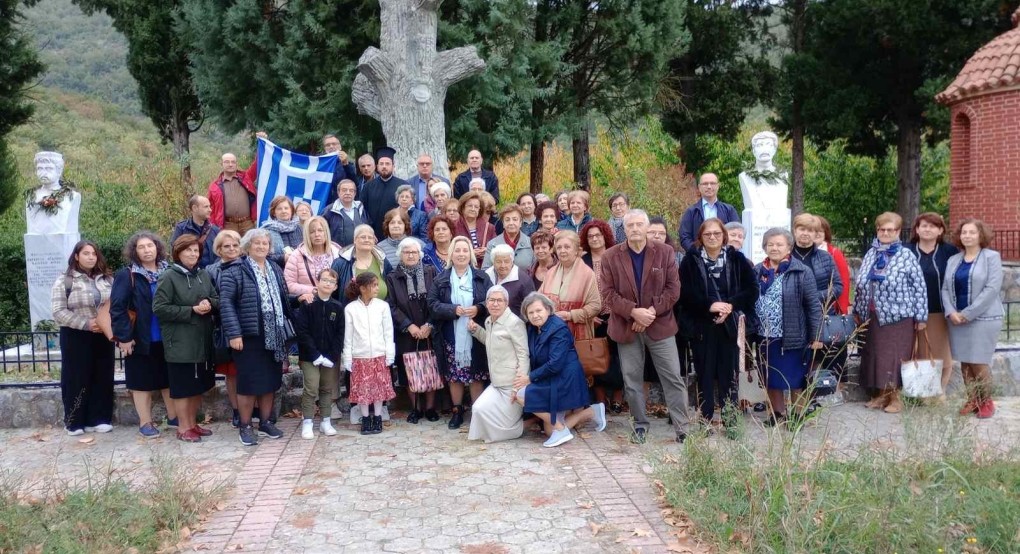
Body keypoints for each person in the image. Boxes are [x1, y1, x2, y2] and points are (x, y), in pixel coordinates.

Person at [601, 210, 692, 444]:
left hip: (659, 324)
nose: (634, 229)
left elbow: (673, 289)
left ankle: (682, 427)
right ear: (624, 228)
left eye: (639, 224)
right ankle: (640, 424)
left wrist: (650, 313)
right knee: (631, 380)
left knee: (672, 376)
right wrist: (633, 312)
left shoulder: (665, 252)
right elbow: (607, 294)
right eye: (630, 225)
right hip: (626, 326)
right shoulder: (611, 256)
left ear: (647, 227)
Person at [678, 218, 758, 426]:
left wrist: (729, 305)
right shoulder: (690, 261)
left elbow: (752, 290)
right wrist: (709, 306)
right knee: (704, 372)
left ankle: (730, 418)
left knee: (728, 373)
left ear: (724, 236)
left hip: (729, 326)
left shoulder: (737, 259)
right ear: (700, 238)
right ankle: (705, 418)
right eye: (707, 234)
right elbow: (684, 293)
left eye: (716, 233)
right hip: (702, 325)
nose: (712, 237)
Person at [220, 228, 292, 446]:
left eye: (265, 244)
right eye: (257, 243)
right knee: (249, 382)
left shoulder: (275, 269)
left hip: (275, 333)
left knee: (270, 381)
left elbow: (284, 298)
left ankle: (265, 422)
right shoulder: (235, 270)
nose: (261, 247)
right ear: (247, 246)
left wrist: (302, 298)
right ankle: (245, 425)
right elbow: (226, 304)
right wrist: (234, 333)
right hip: (249, 335)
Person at [853, 212, 927, 414]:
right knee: (876, 355)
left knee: (895, 357)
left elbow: (919, 287)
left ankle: (896, 398)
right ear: (877, 230)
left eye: (890, 230)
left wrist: (921, 317)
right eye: (882, 229)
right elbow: (861, 284)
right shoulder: (871, 253)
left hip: (898, 316)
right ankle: (881, 395)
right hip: (873, 315)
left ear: (897, 232)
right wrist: (857, 310)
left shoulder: (906, 256)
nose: (885, 233)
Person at [515, 293, 606, 447]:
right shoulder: (532, 328)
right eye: (531, 313)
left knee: (522, 394)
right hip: (549, 378)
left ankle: (563, 428)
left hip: (565, 380)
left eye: (539, 311)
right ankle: (591, 412)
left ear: (548, 310)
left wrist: (529, 378)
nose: (535, 315)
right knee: (550, 431)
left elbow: (555, 364)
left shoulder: (558, 329)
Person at [753, 228, 823, 427]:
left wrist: (816, 335)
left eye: (779, 244)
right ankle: (777, 414)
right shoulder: (758, 271)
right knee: (771, 377)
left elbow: (813, 306)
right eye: (770, 244)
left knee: (795, 379)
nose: (774, 248)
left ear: (789, 247)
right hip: (764, 335)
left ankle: (798, 415)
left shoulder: (801, 271)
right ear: (764, 246)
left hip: (792, 335)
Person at [111, 232, 178, 438]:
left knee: (169, 379)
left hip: (168, 336)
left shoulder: (170, 270)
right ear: (135, 251)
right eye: (142, 247)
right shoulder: (128, 274)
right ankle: (145, 422)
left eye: (150, 245)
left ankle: (174, 417)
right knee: (141, 382)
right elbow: (118, 308)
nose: (147, 250)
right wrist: (123, 337)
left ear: (157, 248)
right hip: (140, 337)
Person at [153, 235, 219, 442]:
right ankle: (183, 427)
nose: (193, 254)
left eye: (196, 251)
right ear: (178, 253)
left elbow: (216, 298)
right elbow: (160, 308)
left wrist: (209, 303)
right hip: (181, 342)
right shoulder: (168, 276)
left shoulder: (203, 274)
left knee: (198, 386)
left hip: (203, 340)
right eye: (188, 250)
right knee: (183, 388)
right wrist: (191, 310)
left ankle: (192, 423)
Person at [427, 236, 492, 429]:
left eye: (465, 250)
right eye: (457, 250)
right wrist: (453, 310)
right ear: (451, 254)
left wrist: (478, 309)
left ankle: (478, 412)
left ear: (470, 254)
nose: (461, 254)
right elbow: (432, 305)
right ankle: (457, 411)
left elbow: (491, 301)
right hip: (450, 334)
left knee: (476, 374)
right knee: (454, 375)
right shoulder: (441, 279)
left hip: (476, 334)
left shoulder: (481, 277)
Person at [51, 240, 115, 436]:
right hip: (76, 335)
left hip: (102, 334)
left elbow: (116, 304)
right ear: (77, 256)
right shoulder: (65, 280)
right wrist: (86, 324)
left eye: (94, 254)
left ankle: (99, 418)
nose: (91, 257)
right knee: (76, 377)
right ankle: (74, 421)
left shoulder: (106, 279)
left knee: (102, 375)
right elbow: (58, 311)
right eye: (86, 253)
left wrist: (104, 324)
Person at [943, 218, 1003, 419]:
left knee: (978, 361)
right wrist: (951, 312)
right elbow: (945, 289)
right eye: (964, 232)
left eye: (972, 232)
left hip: (983, 319)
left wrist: (968, 314)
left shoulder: (991, 257)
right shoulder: (954, 260)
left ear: (981, 235)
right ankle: (973, 400)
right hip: (956, 320)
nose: (967, 236)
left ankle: (986, 401)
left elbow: (992, 289)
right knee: (965, 363)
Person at [466, 285, 531, 443]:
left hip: (511, 384)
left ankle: (528, 424)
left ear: (506, 303)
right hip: (496, 383)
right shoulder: (489, 321)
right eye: (492, 300)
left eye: (499, 301)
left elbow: (524, 354)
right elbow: (490, 341)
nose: (495, 304)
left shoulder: (515, 323)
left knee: (504, 429)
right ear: (487, 303)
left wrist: (519, 384)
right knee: (478, 409)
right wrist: (476, 330)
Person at [386, 238, 440, 423]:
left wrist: (429, 324)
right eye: (407, 252)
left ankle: (431, 408)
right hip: (406, 332)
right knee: (409, 369)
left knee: (430, 367)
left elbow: (437, 300)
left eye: (414, 252)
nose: (410, 255)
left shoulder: (430, 272)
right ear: (400, 255)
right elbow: (391, 305)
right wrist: (409, 325)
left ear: (420, 254)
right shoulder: (393, 277)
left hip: (428, 330)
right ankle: (416, 408)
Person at [905, 213, 960, 393]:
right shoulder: (906, 251)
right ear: (917, 229)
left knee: (942, 354)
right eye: (923, 226)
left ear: (940, 230)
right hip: (911, 312)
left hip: (940, 310)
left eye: (932, 226)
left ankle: (940, 391)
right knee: (919, 352)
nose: (927, 229)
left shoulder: (949, 251)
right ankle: (921, 392)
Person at [293, 268, 343, 438]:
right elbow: (302, 331)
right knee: (311, 387)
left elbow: (339, 334)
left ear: (336, 286)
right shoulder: (307, 304)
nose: (328, 284)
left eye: (332, 281)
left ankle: (325, 421)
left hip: (329, 357)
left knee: (327, 388)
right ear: (317, 281)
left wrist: (332, 355)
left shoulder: (337, 307)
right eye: (325, 280)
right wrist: (315, 355)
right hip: (310, 356)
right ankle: (307, 422)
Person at [343, 272, 396, 435]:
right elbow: (348, 335)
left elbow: (388, 332)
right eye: (373, 285)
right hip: (360, 355)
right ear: (363, 288)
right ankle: (365, 418)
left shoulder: (382, 306)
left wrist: (390, 354)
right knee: (363, 389)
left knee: (379, 388)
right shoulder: (351, 308)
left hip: (379, 354)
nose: (376, 288)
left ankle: (378, 416)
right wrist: (347, 357)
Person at [580, 220, 624, 412]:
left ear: (605, 235)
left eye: (598, 235)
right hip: (593, 317)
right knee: (595, 357)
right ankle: (599, 400)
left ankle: (617, 398)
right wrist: (588, 314)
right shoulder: (582, 260)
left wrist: (618, 311)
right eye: (590, 236)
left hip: (615, 314)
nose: (595, 239)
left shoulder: (617, 256)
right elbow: (578, 289)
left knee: (617, 357)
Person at [206, 230, 243, 427]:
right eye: (226, 246)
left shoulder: (248, 265)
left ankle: (251, 407)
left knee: (249, 370)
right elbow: (210, 297)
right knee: (232, 373)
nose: (231, 249)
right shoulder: (211, 271)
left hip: (248, 324)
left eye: (235, 245)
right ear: (218, 250)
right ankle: (237, 409)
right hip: (225, 326)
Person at [539, 231, 601, 341]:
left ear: (576, 250)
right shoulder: (550, 273)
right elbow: (538, 300)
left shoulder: (587, 274)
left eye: (567, 247)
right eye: (559, 247)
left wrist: (569, 315)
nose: (562, 251)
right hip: (552, 334)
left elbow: (595, 306)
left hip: (578, 336)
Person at [284, 216, 343, 305]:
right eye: (312, 232)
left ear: (326, 232)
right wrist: (312, 290)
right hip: (310, 305)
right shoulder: (297, 255)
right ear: (307, 235)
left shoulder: (338, 252)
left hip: (335, 303)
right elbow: (288, 284)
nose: (317, 234)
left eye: (320, 230)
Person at [791, 214, 842, 310]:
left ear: (815, 234)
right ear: (795, 231)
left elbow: (837, 287)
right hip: (792, 313)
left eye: (810, 230)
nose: (805, 233)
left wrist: (815, 297)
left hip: (820, 312)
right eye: (802, 229)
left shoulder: (826, 257)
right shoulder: (786, 256)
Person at [331, 224, 393, 302]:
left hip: (381, 311)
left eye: (370, 237)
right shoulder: (340, 263)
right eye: (363, 237)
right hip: (351, 312)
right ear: (354, 240)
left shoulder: (382, 260)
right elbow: (332, 292)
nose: (367, 240)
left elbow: (392, 286)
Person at [678, 173, 739, 252]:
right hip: (698, 259)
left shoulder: (729, 210)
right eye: (705, 184)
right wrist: (697, 254)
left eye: (712, 183)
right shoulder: (691, 212)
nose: (709, 186)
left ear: (718, 186)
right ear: (699, 187)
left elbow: (737, 234)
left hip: (725, 258)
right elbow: (684, 237)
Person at [361, 146, 409, 238]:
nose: (384, 167)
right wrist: (368, 230)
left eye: (387, 164)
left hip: (397, 233)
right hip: (373, 234)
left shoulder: (403, 186)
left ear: (393, 166)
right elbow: (363, 211)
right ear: (377, 166)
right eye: (381, 164)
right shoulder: (368, 186)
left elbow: (408, 210)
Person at [208, 152, 258, 235]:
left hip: (248, 224)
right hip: (228, 225)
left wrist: (261, 143)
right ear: (221, 164)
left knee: (249, 247)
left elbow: (257, 165)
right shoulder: (214, 186)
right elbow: (210, 209)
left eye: (233, 162)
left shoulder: (246, 177)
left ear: (236, 164)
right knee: (231, 248)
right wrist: (213, 227)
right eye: (227, 162)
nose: (230, 164)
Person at [484, 244, 535, 317]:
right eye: (498, 261)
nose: (503, 265)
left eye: (506, 261)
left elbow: (531, 306)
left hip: (514, 324)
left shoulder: (524, 280)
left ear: (512, 261)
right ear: (493, 262)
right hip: (488, 322)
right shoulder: (486, 276)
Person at [170, 195, 220, 269]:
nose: (210, 210)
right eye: (206, 207)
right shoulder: (181, 228)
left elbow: (220, 254)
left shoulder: (215, 230)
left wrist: (212, 270)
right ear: (195, 208)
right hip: (188, 275)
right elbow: (175, 252)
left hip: (210, 275)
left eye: (210, 206)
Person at [814, 216, 851, 315]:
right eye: (814, 230)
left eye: (821, 231)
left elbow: (843, 282)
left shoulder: (834, 253)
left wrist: (842, 309)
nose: (817, 233)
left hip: (829, 309)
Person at [483, 204, 534, 271]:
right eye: (507, 220)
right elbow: (485, 270)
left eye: (515, 219)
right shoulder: (492, 244)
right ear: (503, 224)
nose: (511, 223)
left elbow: (535, 269)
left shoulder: (530, 243)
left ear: (521, 222)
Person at [324, 179, 370, 248]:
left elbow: (368, 226)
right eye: (344, 190)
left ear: (354, 194)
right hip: (338, 252)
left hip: (359, 251)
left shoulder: (361, 208)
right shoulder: (329, 211)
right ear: (338, 192)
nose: (348, 193)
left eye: (351, 190)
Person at [261, 196, 304, 268]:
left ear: (291, 211)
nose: (283, 211)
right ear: (274, 212)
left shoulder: (299, 228)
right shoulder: (266, 231)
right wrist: (283, 258)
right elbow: (263, 256)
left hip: (300, 269)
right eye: (279, 209)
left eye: (286, 208)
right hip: (278, 270)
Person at [455, 191, 496, 266]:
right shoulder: (453, 226)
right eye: (470, 206)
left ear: (479, 209)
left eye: (476, 207)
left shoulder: (489, 227)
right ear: (463, 207)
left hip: (483, 269)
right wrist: (469, 253)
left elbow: (495, 248)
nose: (473, 209)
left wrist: (488, 251)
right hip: (461, 267)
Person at [322, 133, 357, 208]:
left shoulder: (347, 164)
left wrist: (346, 164)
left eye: (334, 144)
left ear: (340, 146)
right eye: (328, 145)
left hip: (342, 205)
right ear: (324, 148)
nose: (331, 146)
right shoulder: (320, 165)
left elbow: (355, 183)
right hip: (324, 205)